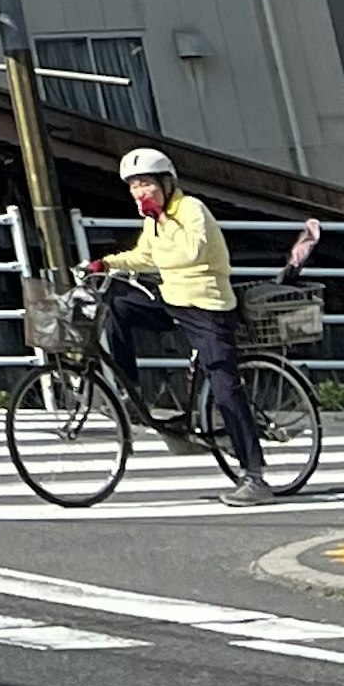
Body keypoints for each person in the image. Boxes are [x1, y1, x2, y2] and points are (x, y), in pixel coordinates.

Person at [97, 143, 274, 502]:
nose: (138, 192)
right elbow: (146, 255)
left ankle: (255, 477)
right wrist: (106, 263)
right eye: (133, 186)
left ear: (166, 182)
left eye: (145, 183)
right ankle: (130, 392)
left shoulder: (190, 209)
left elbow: (191, 251)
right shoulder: (153, 221)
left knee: (225, 387)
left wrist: (162, 217)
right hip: (173, 301)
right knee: (118, 309)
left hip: (207, 306)